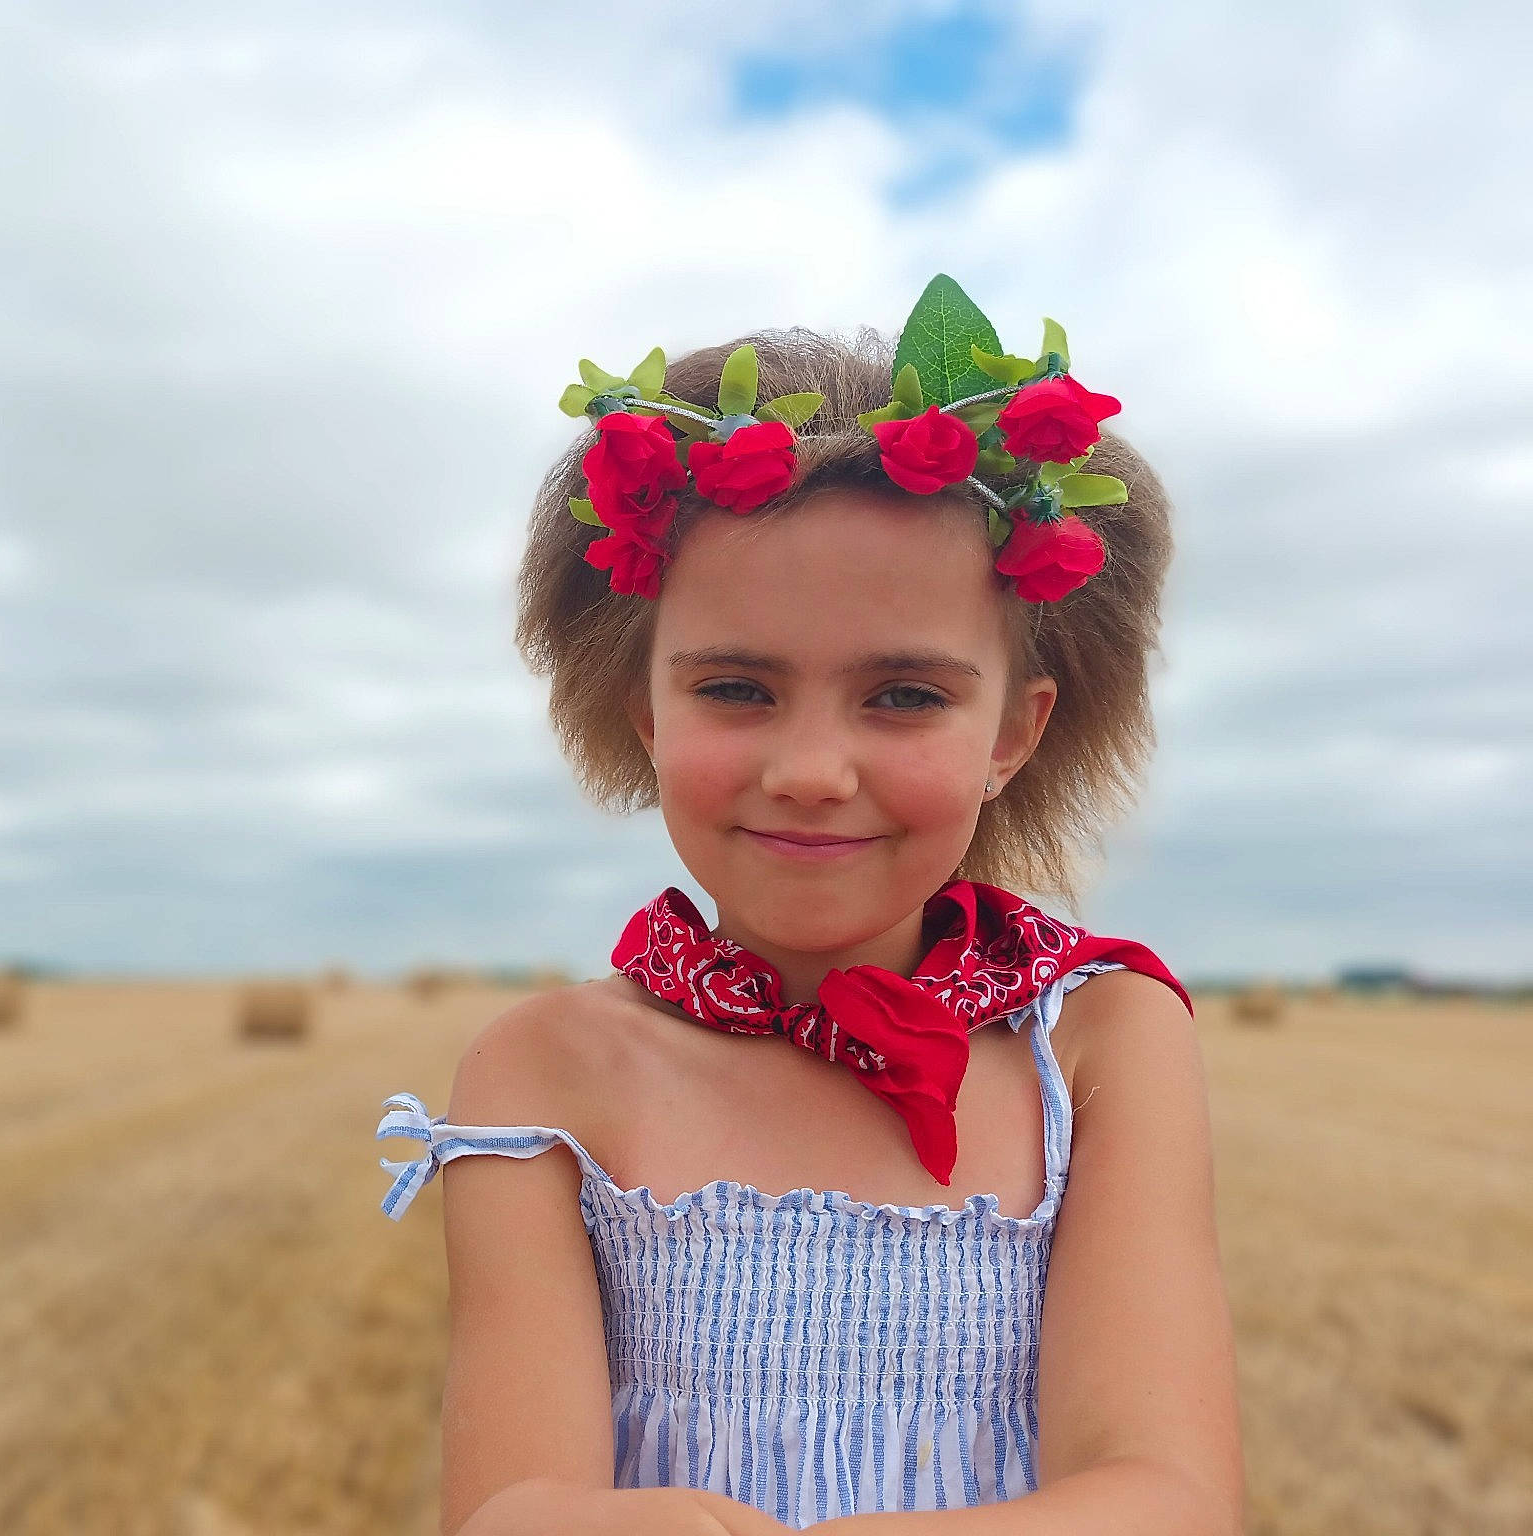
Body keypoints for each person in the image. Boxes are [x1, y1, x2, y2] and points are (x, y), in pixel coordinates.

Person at [373, 276, 1244, 1535]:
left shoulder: (1100, 1042)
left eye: (901, 696)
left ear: (1013, 732)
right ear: (646, 715)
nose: (810, 771)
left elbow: (1164, 1499)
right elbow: (505, 1503)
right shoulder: (541, 1072)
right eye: (735, 687)